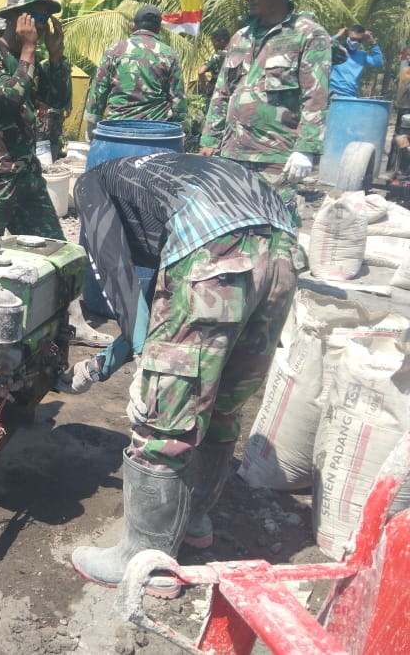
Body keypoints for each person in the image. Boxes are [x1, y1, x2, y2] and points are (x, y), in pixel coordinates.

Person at [61, 152, 298, 593]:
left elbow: (120, 283)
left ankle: (144, 564)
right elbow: (157, 308)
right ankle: (194, 520)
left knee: (163, 416)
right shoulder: (156, 180)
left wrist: (120, 369)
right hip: (282, 248)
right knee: (222, 400)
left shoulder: (89, 187)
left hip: (214, 253)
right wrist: (101, 366)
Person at [0, 0, 109, 346]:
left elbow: (59, 99)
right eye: (34, 16)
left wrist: (57, 56)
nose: (41, 23)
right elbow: (11, 95)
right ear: (14, 19)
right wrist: (30, 50)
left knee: (55, 250)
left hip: (28, 174)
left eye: (45, 18)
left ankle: (71, 322)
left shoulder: (31, 58)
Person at [200, 0, 331, 216]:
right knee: (228, 225)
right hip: (232, 152)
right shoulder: (241, 36)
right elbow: (222, 92)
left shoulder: (308, 35)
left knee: (273, 229)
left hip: (274, 156)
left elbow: (315, 96)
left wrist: (306, 149)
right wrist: (208, 139)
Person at [83, 4, 187, 139]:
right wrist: (182, 129)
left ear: (133, 26)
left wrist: (92, 126)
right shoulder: (169, 54)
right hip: (155, 134)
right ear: (159, 29)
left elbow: (98, 93)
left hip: (118, 131)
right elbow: (178, 99)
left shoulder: (114, 51)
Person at [330, 24, 384, 98]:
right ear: (347, 37)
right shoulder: (337, 50)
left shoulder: (362, 55)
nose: (355, 42)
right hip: (334, 94)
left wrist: (373, 43)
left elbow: (378, 63)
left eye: (358, 40)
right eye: (352, 39)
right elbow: (322, 48)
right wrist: (337, 35)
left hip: (351, 96)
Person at [197, 27, 231, 96]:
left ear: (221, 41)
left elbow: (200, 72)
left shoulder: (216, 56)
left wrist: (205, 87)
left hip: (216, 93)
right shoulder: (236, 54)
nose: (213, 46)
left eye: (214, 42)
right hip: (231, 92)